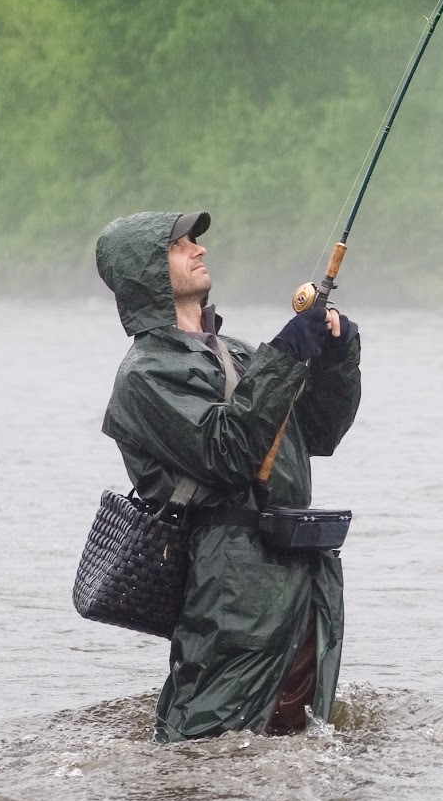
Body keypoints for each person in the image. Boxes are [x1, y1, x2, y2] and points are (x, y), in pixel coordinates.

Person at [93, 209, 361, 742]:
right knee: (210, 738)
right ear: (145, 272)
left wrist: (335, 357)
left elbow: (316, 433)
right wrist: (285, 353)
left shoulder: (235, 351)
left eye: (194, 240)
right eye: (180, 245)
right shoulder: (145, 374)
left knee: (299, 737)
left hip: (300, 571)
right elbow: (229, 451)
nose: (198, 249)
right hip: (230, 583)